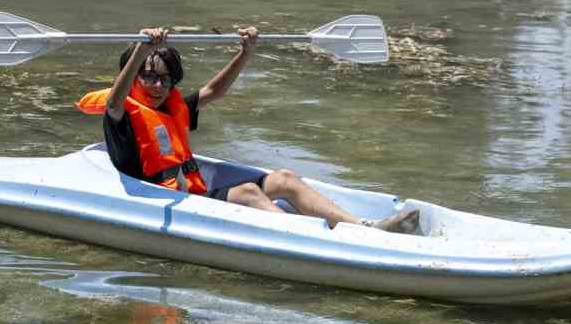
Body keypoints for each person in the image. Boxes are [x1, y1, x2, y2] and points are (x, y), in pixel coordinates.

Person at [75, 26, 418, 233]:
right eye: (148, 76)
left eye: (165, 77)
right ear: (133, 77)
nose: (157, 84)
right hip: (162, 200)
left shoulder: (171, 107)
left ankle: (362, 228)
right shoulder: (121, 112)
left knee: (283, 177)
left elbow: (214, 92)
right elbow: (116, 98)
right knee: (249, 194)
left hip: (190, 192)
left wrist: (245, 53)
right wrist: (141, 50)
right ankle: (314, 239)